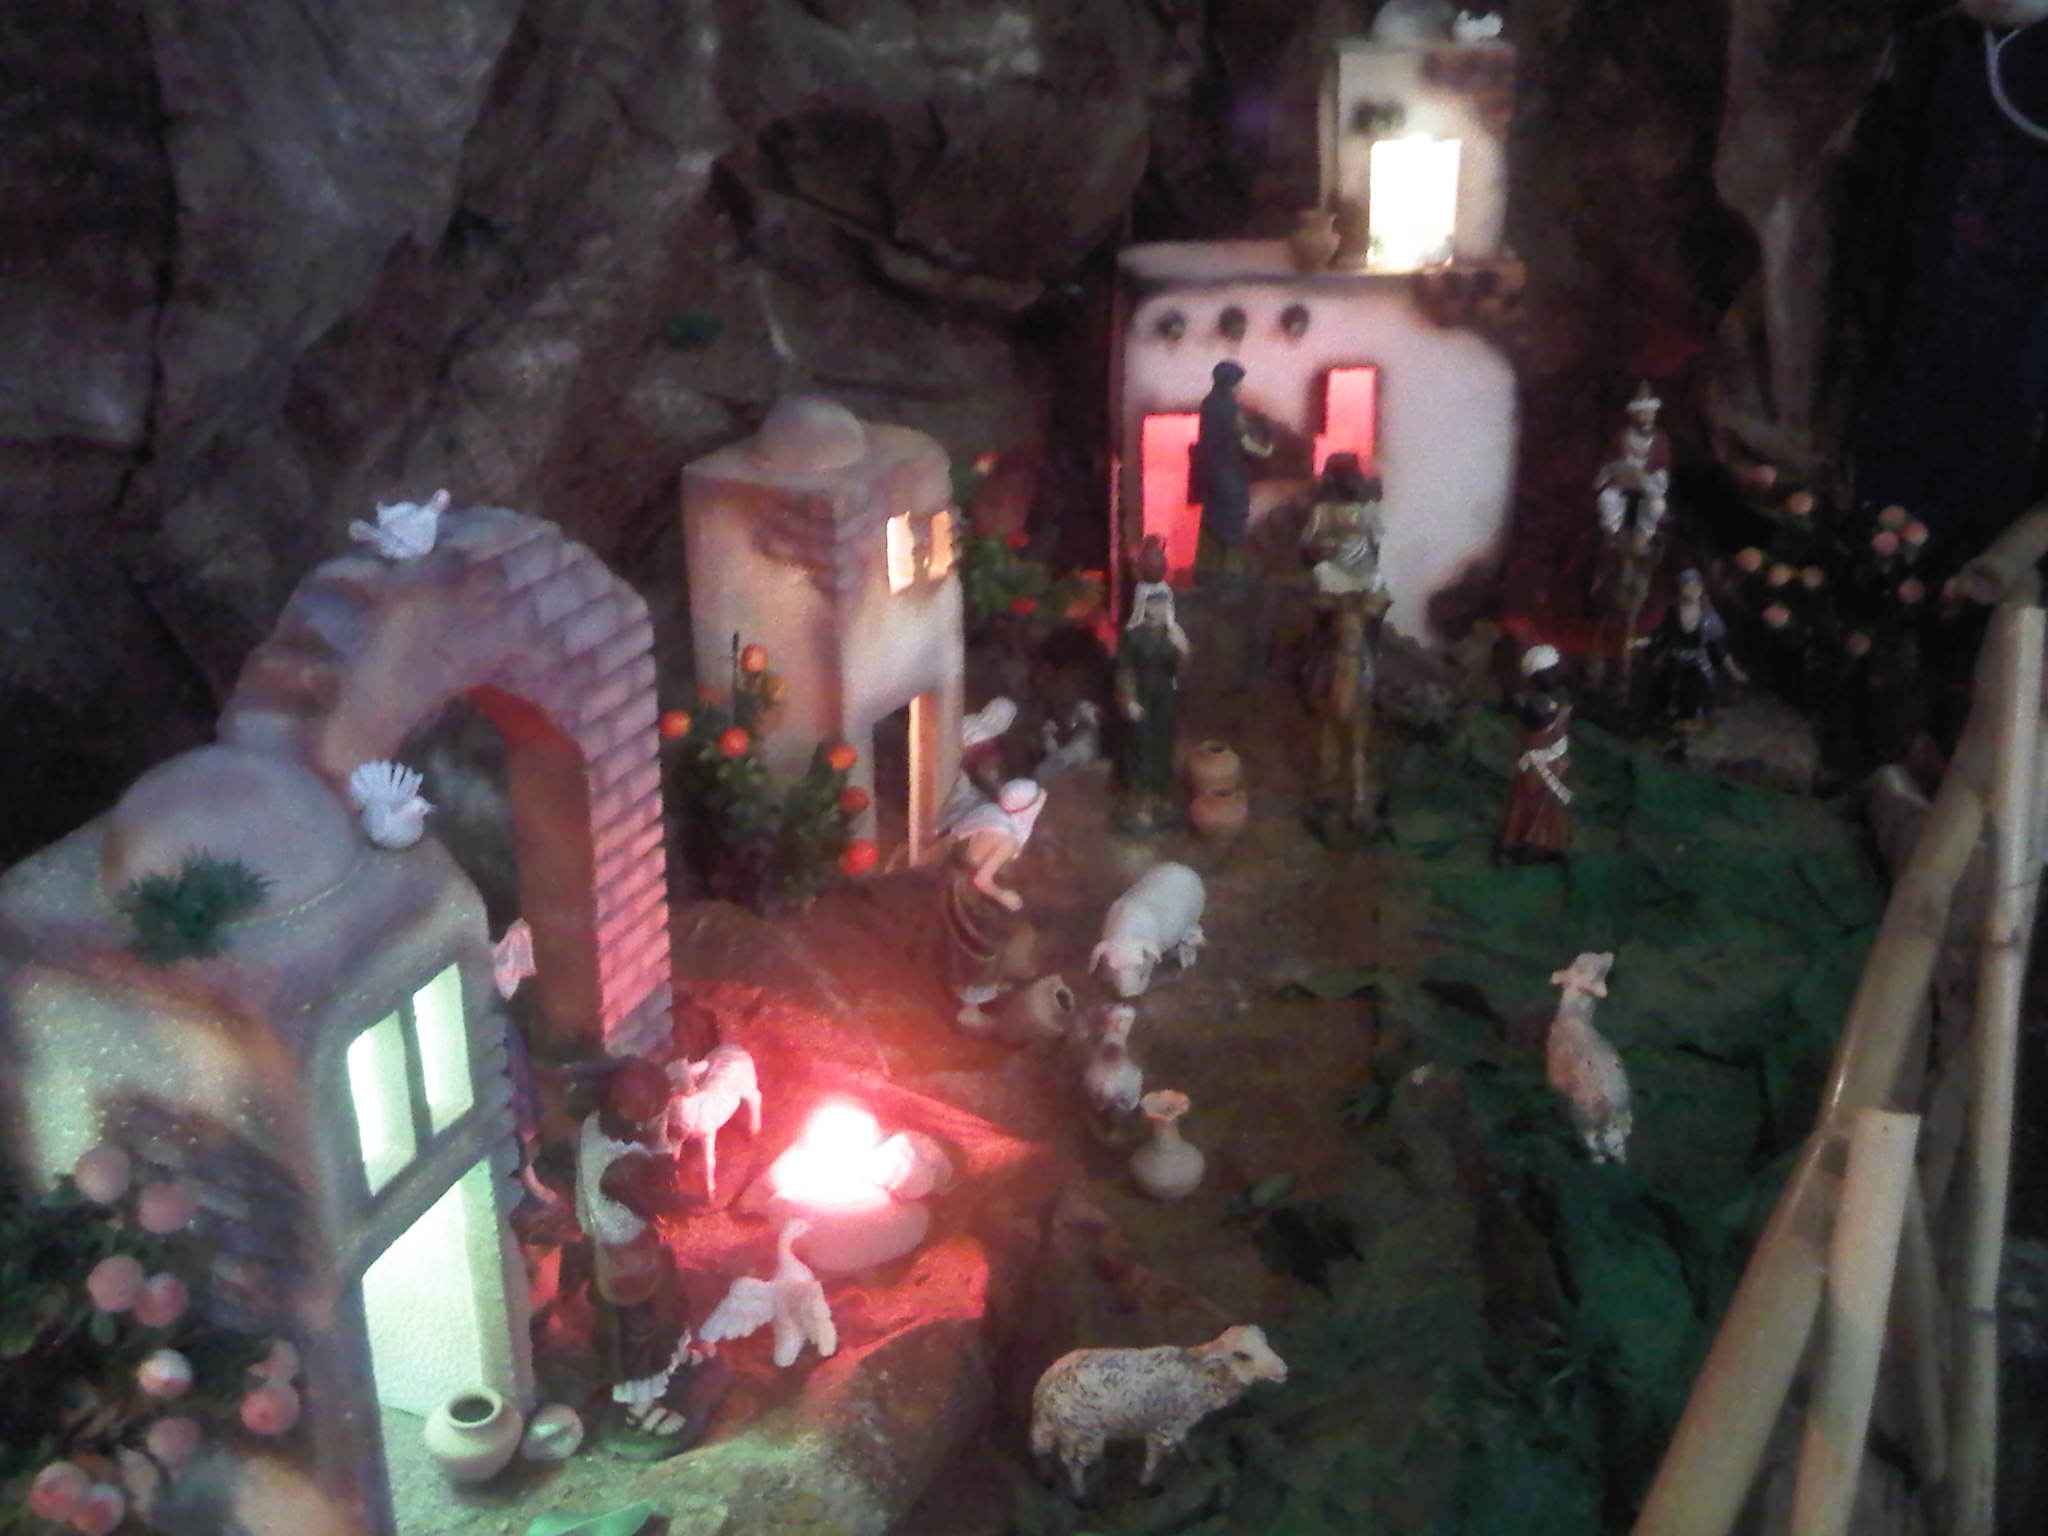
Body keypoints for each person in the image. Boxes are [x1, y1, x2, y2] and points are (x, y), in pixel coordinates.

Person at [575, 1058, 729, 1454]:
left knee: (670, 1306)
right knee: (638, 1334)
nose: (663, 1115)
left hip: (642, 1248)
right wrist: (665, 1145)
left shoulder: (598, 1124)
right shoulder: (621, 1165)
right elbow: (661, 1199)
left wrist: (658, 1133)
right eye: (657, 1110)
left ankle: (674, 1360)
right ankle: (638, 1409)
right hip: (624, 1263)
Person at [1189, 360, 1273, 687]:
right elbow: (1245, 442)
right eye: (1238, 382)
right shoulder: (1229, 409)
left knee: (1214, 516)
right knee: (1234, 513)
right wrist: (1265, 449)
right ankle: (1228, 568)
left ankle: (1209, 564)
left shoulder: (1207, 405)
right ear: (1230, 382)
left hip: (1212, 472)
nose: (1240, 387)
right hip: (1228, 473)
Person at [939, 778, 1047, 1027]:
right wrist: (1004, 896)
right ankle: (970, 1009)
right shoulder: (1008, 839)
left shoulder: (989, 812)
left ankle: (986, 986)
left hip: (954, 881)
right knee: (984, 949)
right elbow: (982, 879)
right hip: (970, 895)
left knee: (977, 944)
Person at [1113, 582, 1192, 831]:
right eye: (1151, 602)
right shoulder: (1132, 634)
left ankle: (1159, 796)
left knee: (1162, 745)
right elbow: (1124, 670)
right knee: (1141, 747)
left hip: (1165, 697)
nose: (1156, 608)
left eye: (1161, 602)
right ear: (1142, 604)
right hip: (1142, 695)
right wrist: (1129, 699)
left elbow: (1181, 670)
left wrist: (1183, 650)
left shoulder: (1172, 633)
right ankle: (1139, 801)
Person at [1499, 644, 1573, 864]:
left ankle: (1549, 844)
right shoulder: (1529, 703)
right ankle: (1515, 848)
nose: (1557, 674)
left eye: (1557, 669)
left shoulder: (1560, 696)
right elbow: (1539, 723)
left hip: (1557, 761)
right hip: (1537, 766)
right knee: (1527, 805)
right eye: (1551, 671)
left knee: (1553, 808)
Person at [1647, 569, 1746, 731]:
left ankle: (1687, 725)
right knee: (1665, 689)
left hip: (1696, 665)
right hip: (1673, 662)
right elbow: (1662, 636)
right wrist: (1652, 651)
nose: (1692, 590)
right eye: (1687, 586)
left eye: (1695, 586)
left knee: (1692, 694)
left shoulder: (1709, 617)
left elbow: (1719, 647)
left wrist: (1733, 670)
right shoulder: (1672, 612)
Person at [936, 696, 1016, 835]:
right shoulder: (988, 742)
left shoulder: (968, 721)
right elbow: (986, 773)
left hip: (938, 768)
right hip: (955, 782)